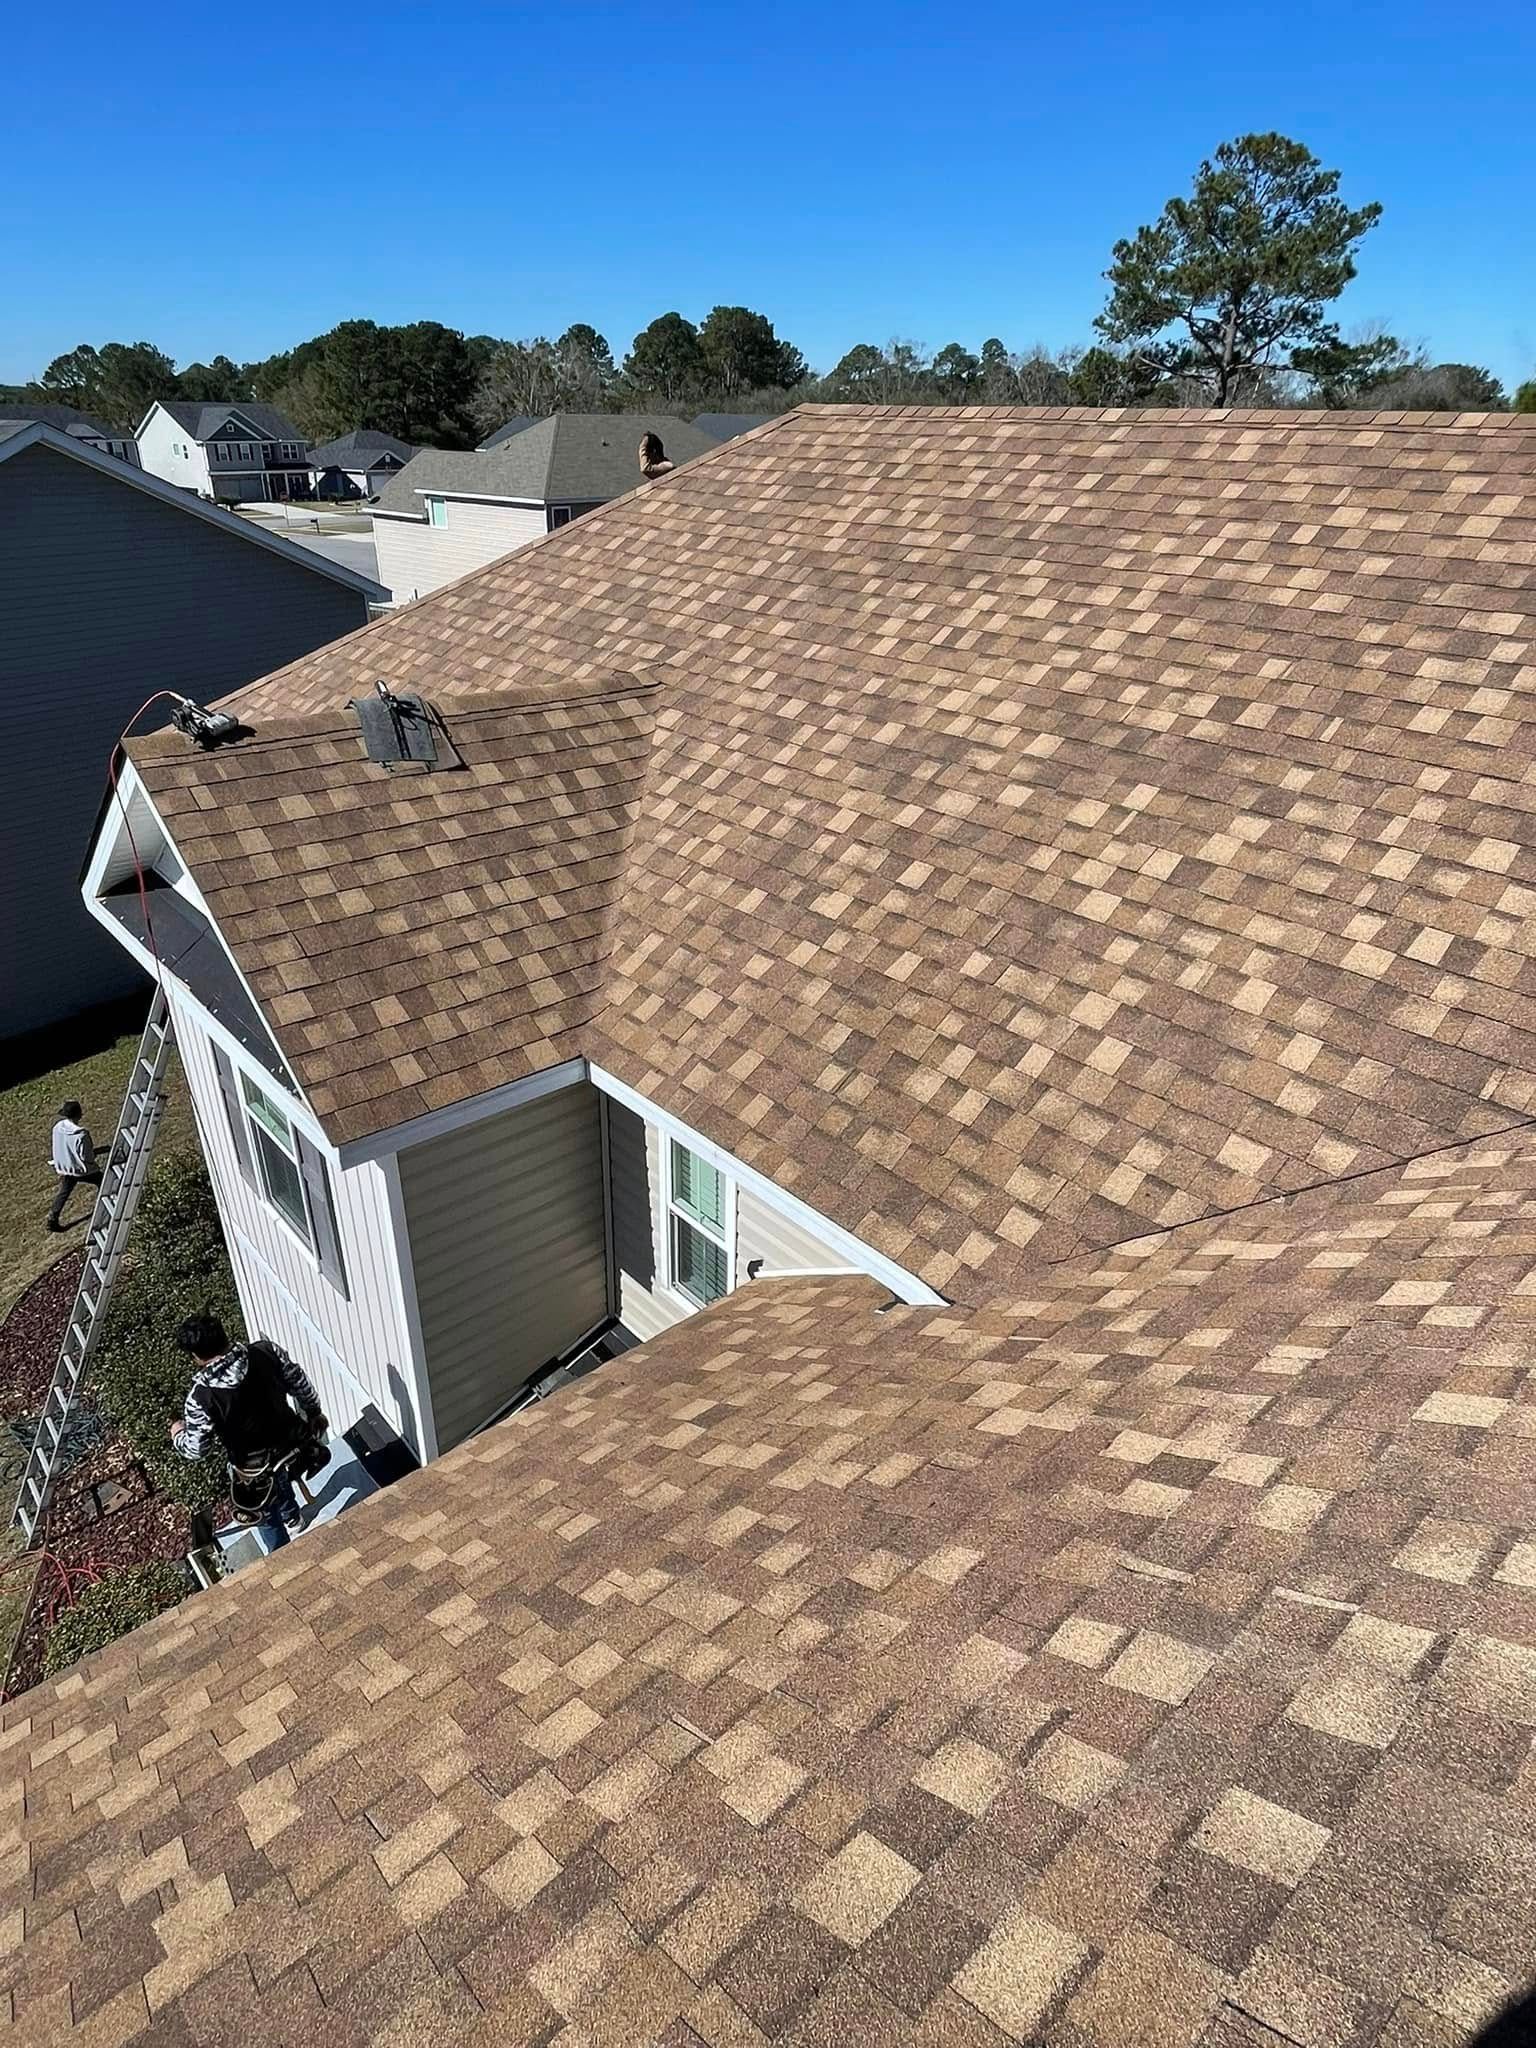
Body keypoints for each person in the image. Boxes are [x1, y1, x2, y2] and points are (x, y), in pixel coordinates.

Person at [171, 1314, 328, 1549]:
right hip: (291, 1442)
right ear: (225, 1336)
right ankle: (294, 1518)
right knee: (281, 1475)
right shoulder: (266, 1351)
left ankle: (284, 1557)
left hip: (253, 1467)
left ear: (195, 1356)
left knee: (263, 1515)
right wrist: (314, 1412)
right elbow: (299, 1383)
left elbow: (196, 1449)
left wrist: (177, 1433)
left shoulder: (201, 1397)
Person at [47, 1100, 103, 1233]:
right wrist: (99, 1151)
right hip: (82, 1170)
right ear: (79, 1115)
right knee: (104, 1181)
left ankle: (53, 1216)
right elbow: (86, 1157)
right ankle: (106, 1208)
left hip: (65, 1167)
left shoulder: (58, 1127)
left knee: (65, 1191)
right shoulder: (81, 1134)